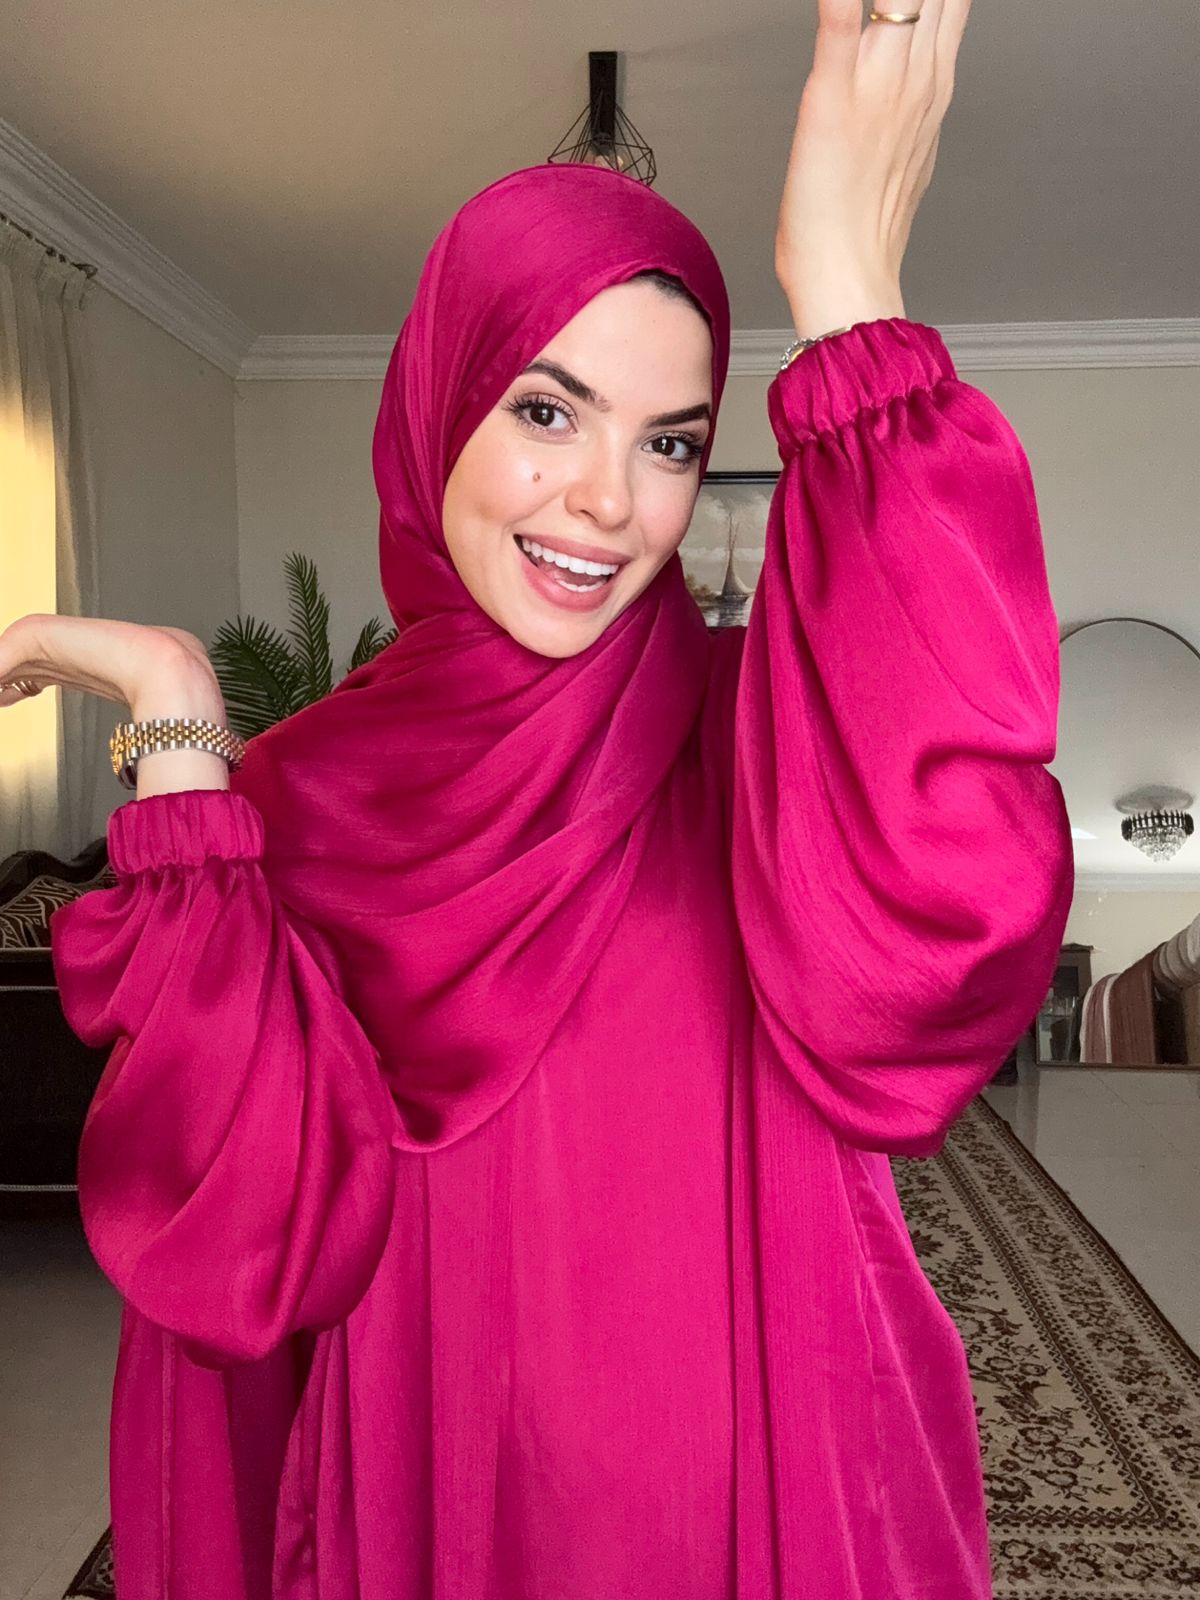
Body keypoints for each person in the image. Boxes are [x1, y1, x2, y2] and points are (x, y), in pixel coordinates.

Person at [1, 2, 1074, 1595]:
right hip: (434, 1485)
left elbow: (942, 935)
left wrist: (851, 295)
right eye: (548, 410)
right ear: (440, 403)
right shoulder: (289, 805)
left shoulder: (765, 732)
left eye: (671, 443)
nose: (606, 501)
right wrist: (176, 718)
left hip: (755, 1481)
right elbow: (236, 1236)